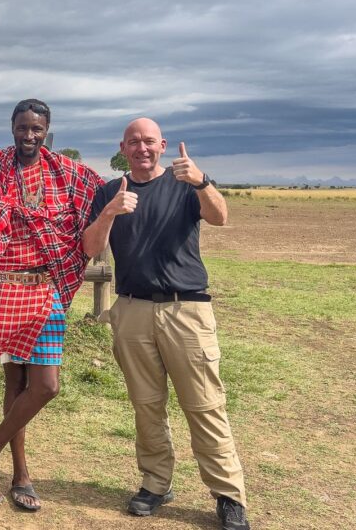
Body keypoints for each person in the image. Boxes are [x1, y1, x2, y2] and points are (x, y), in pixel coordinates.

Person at [82, 118, 249, 530]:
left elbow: (221, 217)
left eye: (149, 141)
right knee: (146, 405)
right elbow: (91, 248)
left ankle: (229, 496)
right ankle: (155, 484)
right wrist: (109, 212)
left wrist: (201, 180)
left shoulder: (184, 182)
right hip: (133, 309)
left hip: (186, 309)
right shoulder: (109, 191)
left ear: (163, 145)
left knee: (205, 405)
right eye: (134, 142)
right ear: (123, 147)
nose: (142, 148)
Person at [0, 99, 103, 509]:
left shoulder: (67, 173)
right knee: (14, 383)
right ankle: (21, 473)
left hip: (45, 287)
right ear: (11, 127)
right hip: (5, 288)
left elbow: (102, 197)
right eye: (22, 128)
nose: (29, 136)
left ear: (46, 131)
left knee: (45, 385)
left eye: (37, 129)